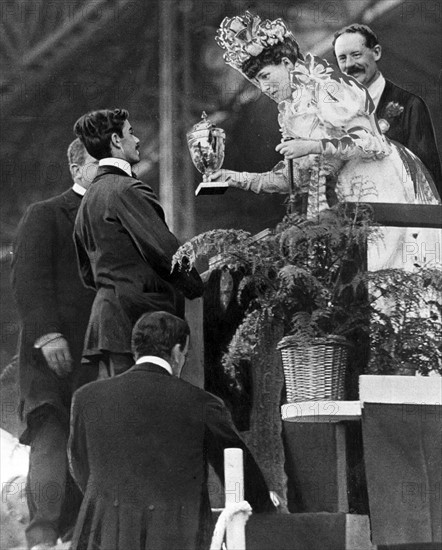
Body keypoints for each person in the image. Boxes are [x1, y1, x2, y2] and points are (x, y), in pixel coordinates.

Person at [211, 12, 440, 270]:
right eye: (255, 82)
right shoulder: (290, 111)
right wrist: (236, 178)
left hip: (378, 188)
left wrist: (313, 146)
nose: (264, 88)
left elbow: (370, 141)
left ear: (287, 63)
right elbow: (293, 178)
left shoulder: (328, 86)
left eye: (265, 76)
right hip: (338, 204)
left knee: (388, 278)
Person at [68, 311, 276, 550]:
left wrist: (114, 505)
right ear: (178, 351)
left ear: (136, 350)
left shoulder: (86, 398)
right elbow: (236, 464)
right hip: (175, 536)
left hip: (104, 534)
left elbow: (80, 466)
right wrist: (264, 504)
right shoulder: (202, 403)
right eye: (185, 355)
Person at [11, 139, 98, 550]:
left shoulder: (124, 218)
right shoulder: (45, 214)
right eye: (100, 163)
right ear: (76, 168)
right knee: (50, 440)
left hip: (99, 359)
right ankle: (42, 541)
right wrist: (47, 334)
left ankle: (79, 539)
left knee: (92, 451)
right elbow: (27, 278)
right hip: (53, 362)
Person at [73, 108, 203, 376]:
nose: (137, 140)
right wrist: (196, 286)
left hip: (108, 323)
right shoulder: (127, 190)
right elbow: (167, 254)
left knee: (125, 411)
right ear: (116, 141)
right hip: (141, 321)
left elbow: (88, 274)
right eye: (130, 133)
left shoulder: (88, 200)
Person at [332, 23, 442, 199]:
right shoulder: (336, 114)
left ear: (376, 52)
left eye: (356, 55)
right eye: (342, 58)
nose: (350, 65)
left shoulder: (410, 106)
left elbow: (427, 178)